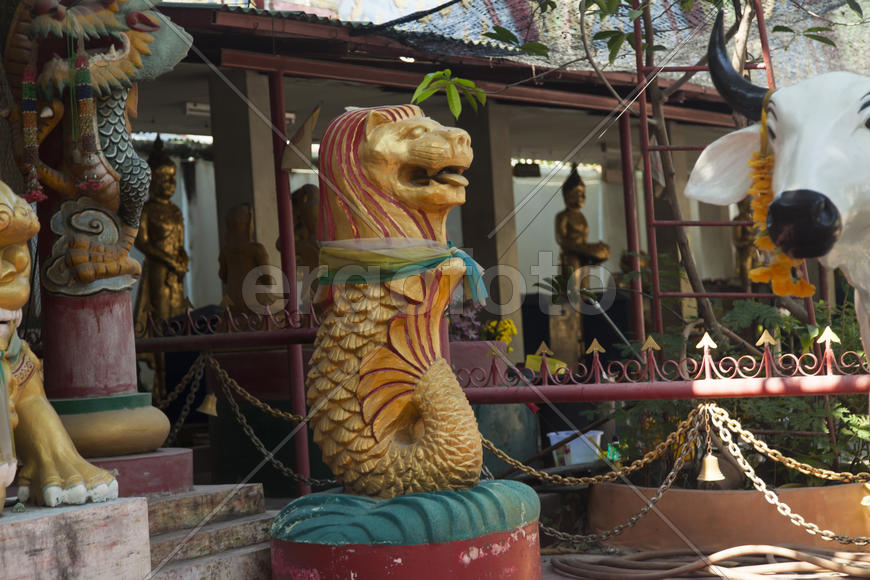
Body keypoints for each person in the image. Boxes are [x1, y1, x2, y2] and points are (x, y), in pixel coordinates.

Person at [555, 163, 610, 279]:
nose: (583, 197)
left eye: (583, 194)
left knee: (585, 287)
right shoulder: (563, 216)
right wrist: (583, 249)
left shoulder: (581, 216)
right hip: (570, 257)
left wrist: (593, 253)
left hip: (583, 257)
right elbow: (561, 240)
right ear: (568, 195)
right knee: (573, 287)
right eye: (579, 194)